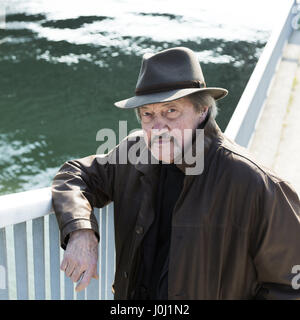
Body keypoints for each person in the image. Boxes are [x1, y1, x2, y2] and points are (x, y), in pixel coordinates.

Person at [52, 47, 300, 300]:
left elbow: (290, 286)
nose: (158, 127)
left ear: (202, 110)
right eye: (148, 114)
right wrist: (81, 231)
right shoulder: (133, 151)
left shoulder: (255, 182)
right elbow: (74, 175)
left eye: (171, 111)